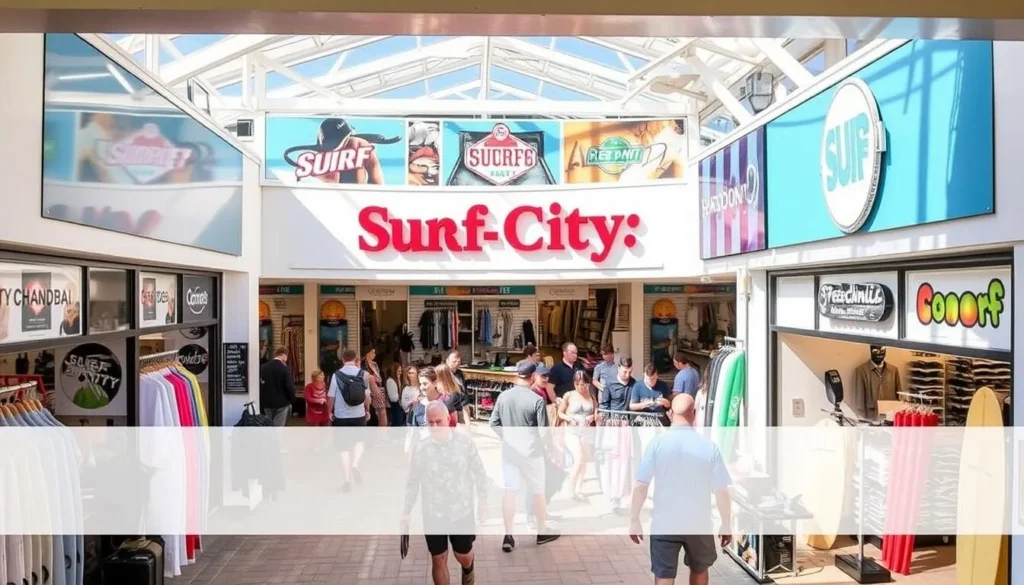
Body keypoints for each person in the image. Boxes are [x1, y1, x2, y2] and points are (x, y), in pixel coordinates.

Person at [629, 394, 732, 585]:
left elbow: (641, 485)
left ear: (670, 413)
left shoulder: (656, 444)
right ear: (694, 414)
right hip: (699, 522)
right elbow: (721, 490)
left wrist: (634, 519)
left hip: (664, 521)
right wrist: (726, 523)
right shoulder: (709, 447)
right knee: (700, 569)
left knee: (664, 576)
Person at [402, 401, 487, 585]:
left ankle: (468, 569)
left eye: (438, 422)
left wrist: (483, 502)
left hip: (461, 511)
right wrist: (406, 513)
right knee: (438, 558)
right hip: (433, 514)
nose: (434, 427)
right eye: (430, 423)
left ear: (448, 419)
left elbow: (479, 472)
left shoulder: (464, 443)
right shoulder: (421, 449)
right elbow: (412, 482)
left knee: (462, 555)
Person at [490, 361, 560, 552]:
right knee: (538, 491)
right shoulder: (536, 400)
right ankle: (541, 531)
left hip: (510, 451)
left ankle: (508, 534)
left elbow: (494, 423)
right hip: (532, 453)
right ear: (532, 376)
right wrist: (552, 450)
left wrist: (508, 437)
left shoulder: (503, 396)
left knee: (510, 491)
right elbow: (544, 432)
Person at [326, 349, 372, 492]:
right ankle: (356, 464)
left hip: (341, 417)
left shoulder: (336, 375)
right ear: (355, 359)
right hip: (358, 415)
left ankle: (346, 480)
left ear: (343, 359)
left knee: (343, 448)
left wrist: (329, 411)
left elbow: (331, 397)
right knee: (360, 441)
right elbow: (367, 396)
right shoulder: (363, 374)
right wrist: (367, 410)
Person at [557, 370, 600, 501]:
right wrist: (569, 418)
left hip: (586, 432)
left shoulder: (592, 396)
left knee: (584, 461)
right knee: (579, 458)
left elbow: (597, 411)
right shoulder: (569, 395)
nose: (581, 387)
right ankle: (570, 486)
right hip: (572, 431)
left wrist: (593, 416)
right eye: (578, 384)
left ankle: (579, 488)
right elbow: (560, 412)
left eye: (583, 384)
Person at [259, 347, 294, 426]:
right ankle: (276, 438)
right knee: (278, 426)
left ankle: (270, 438)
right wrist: (292, 399)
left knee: (268, 425)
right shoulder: (284, 369)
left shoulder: (263, 367)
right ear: (284, 355)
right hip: (282, 403)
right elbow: (289, 386)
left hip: (266, 402)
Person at [363, 346, 388, 427]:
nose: (374, 354)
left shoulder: (374, 364)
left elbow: (378, 376)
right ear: (367, 353)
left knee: (382, 410)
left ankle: (383, 430)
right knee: (377, 411)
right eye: (372, 352)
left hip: (379, 387)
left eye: (374, 352)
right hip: (370, 388)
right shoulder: (363, 364)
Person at [386, 362, 406, 426]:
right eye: (399, 371)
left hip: (398, 405)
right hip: (395, 405)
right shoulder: (391, 381)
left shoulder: (397, 380)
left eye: (401, 371)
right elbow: (393, 398)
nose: (400, 373)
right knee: (397, 422)